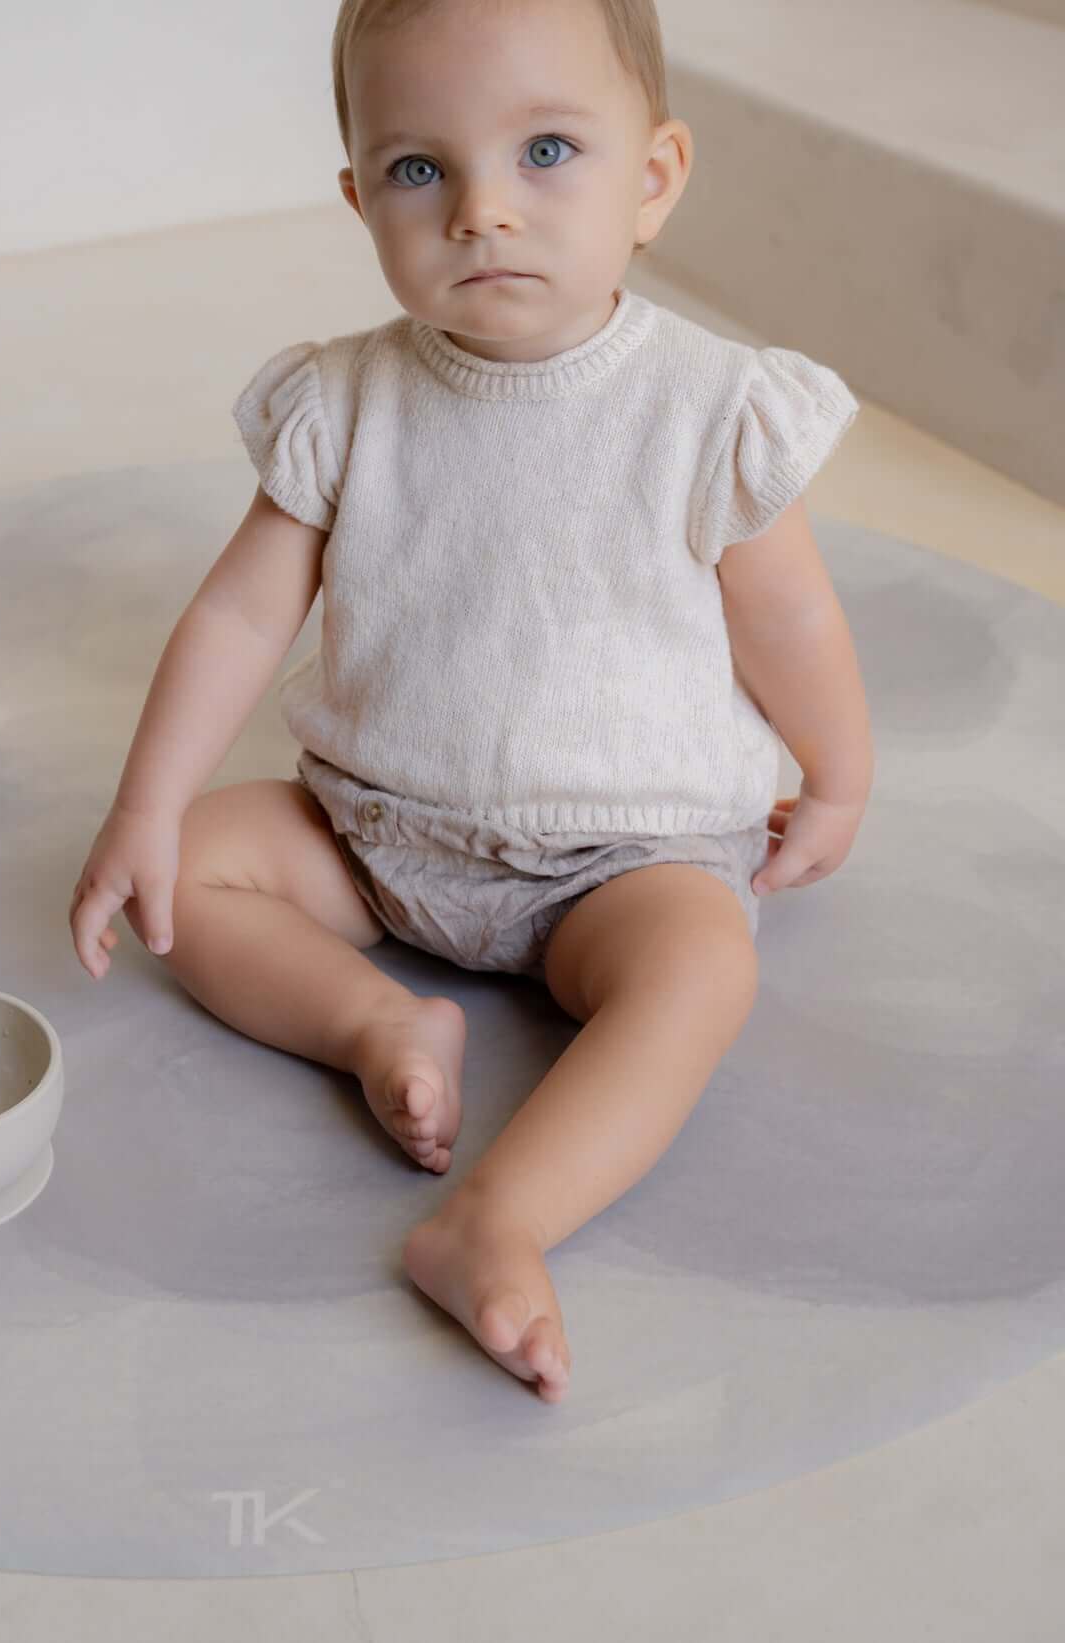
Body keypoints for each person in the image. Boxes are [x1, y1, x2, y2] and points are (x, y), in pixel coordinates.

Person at [69, 0, 874, 1405]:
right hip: (374, 833)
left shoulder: (709, 407)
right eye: (419, 168)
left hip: (625, 857)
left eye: (546, 151)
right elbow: (242, 614)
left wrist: (840, 772)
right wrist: (142, 807)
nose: (482, 210)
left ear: (653, 180)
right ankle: (372, 1025)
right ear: (359, 200)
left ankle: (499, 1218)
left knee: (699, 973)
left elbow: (787, 615)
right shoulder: (345, 400)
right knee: (185, 870)